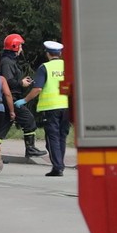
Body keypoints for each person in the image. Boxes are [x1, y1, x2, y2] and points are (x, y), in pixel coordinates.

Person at [16, 41, 70, 176]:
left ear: (47, 53)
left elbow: (38, 88)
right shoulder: (68, 66)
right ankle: (60, 164)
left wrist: (24, 100)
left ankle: (57, 167)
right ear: (60, 53)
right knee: (62, 136)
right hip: (67, 107)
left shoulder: (44, 68)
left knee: (52, 138)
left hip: (51, 108)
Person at [0, 33, 48, 158]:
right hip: (11, 98)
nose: (21, 49)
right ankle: (30, 149)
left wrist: (23, 82)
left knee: (3, 128)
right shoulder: (7, 62)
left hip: (11, 97)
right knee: (29, 120)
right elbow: (8, 80)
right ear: (14, 46)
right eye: (20, 46)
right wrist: (21, 83)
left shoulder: (10, 61)